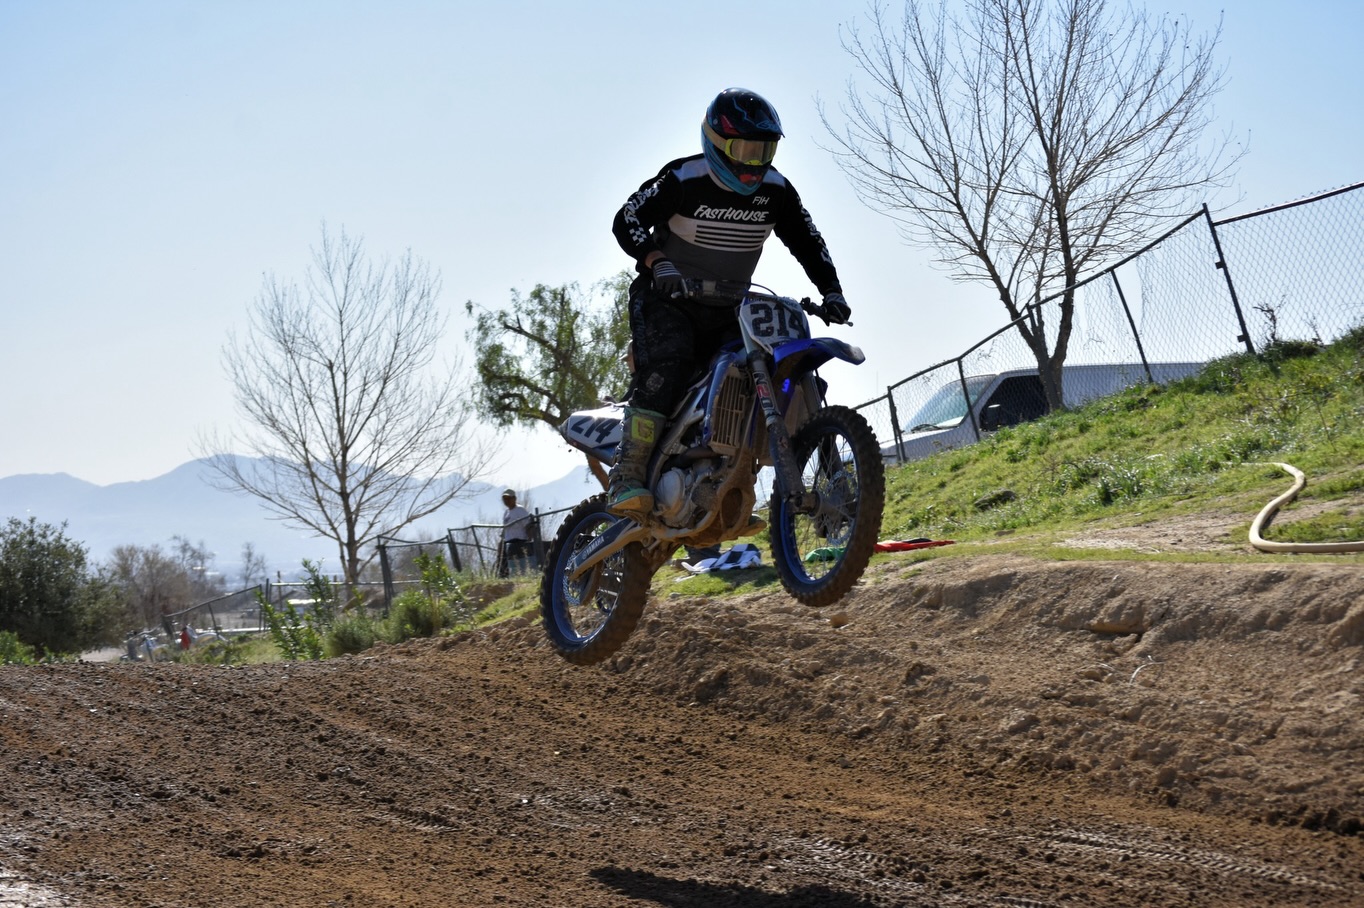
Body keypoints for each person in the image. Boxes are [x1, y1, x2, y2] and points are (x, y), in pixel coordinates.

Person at [607, 87, 851, 515]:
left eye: (764, 150)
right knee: (670, 363)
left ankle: (736, 478)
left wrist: (832, 290)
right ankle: (626, 476)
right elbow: (625, 218)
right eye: (745, 149)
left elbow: (808, 240)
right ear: (718, 143)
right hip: (667, 299)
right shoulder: (684, 179)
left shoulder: (776, 191)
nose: (754, 161)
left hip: (730, 306)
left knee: (769, 370)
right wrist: (656, 260)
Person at [499, 489, 534, 577]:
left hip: (519, 542)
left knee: (522, 566)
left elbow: (528, 526)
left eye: (508, 498)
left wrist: (529, 540)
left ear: (514, 498)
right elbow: (505, 529)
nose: (506, 501)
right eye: (505, 499)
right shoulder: (506, 513)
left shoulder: (520, 510)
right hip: (509, 543)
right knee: (511, 567)